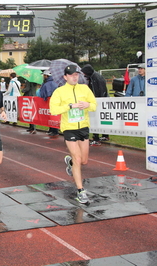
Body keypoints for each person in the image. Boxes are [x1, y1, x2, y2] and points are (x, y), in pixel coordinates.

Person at [49, 65, 97, 204]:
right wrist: (70, 106)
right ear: (65, 77)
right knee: (77, 158)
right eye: (71, 75)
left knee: (84, 161)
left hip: (83, 127)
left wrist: (87, 105)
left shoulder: (84, 88)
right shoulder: (59, 91)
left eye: (76, 74)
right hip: (69, 129)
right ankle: (81, 191)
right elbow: (53, 110)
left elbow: (94, 105)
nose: (74, 77)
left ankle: (69, 162)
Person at [81, 64, 110, 146]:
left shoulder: (96, 77)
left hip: (99, 101)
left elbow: (101, 90)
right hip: (98, 100)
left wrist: (98, 101)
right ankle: (105, 135)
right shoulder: (92, 77)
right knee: (100, 119)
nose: (84, 75)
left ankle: (96, 138)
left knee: (96, 120)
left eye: (85, 73)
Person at [39, 70, 59, 136]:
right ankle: (52, 129)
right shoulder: (54, 82)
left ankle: (54, 130)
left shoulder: (48, 83)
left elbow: (46, 92)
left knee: (51, 116)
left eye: (44, 75)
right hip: (53, 101)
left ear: (47, 76)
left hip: (50, 101)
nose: (43, 77)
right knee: (51, 116)